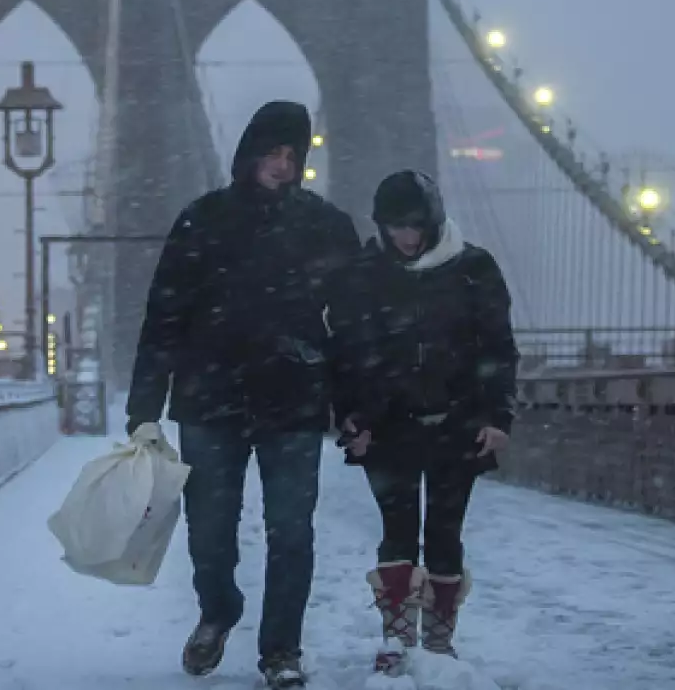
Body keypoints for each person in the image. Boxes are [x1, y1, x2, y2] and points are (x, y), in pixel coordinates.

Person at [125, 100, 360, 689]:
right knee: (208, 529)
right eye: (271, 153)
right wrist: (143, 406)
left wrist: (356, 404)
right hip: (210, 398)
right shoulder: (201, 220)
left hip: (294, 398)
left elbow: (356, 327)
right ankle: (218, 609)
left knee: (292, 531)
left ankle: (281, 651)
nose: (282, 166)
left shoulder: (327, 226)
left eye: (292, 155)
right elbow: (165, 315)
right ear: (249, 154)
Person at [324, 169, 519, 675]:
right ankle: (397, 634)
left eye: (414, 225)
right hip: (387, 424)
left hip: (460, 422)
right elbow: (347, 353)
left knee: (445, 531)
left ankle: (438, 638)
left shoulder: (474, 268)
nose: (405, 237)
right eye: (394, 227)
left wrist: (498, 416)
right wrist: (351, 417)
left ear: (432, 221)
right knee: (397, 528)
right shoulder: (364, 272)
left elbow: (497, 348)